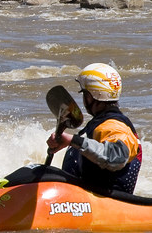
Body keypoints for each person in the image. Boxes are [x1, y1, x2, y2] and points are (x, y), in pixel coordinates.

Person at [46, 63, 142, 194]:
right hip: (86, 197)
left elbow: (117, 158)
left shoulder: (113, 125)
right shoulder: (101, 123)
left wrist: (73, 140)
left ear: (92, 95)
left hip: (107, 203)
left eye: (85, 94)